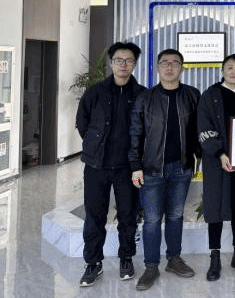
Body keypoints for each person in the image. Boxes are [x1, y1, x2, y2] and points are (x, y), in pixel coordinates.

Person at [129, 49, 201, 291]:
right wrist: (135, 166)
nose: (170, 67)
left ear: (182, 68)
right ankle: (151, 266)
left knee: (175, 215)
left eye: (175, 63)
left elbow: (199, 130)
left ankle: (174, 259)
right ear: (158, 67)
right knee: (151, 220)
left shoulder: (192, 95)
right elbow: (135, 134)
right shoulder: (145, 98)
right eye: (165, 63)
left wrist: (201, 158)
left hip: (182, 167)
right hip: (151, 169)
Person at [76, 42, 145, 287]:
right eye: (118, 60)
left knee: (128, 216)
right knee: (94, 216)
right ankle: (93, 263)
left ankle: (126, 258)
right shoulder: (96, 92)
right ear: (111, 62)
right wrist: (94, 145)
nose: (123, 65)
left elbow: (146, 129)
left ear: (134, 64)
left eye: (129, 60)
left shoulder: (142, 94)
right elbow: (82, 121)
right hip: (97, 166)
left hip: (128, 168)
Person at [197, 54, 235, 281]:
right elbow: (203, 127)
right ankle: (214, 257)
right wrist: (221, 154)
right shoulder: (210, 94)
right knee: (215, 209)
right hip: (217, 162)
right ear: (222, 70)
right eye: (230, 68)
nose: (234, 72)